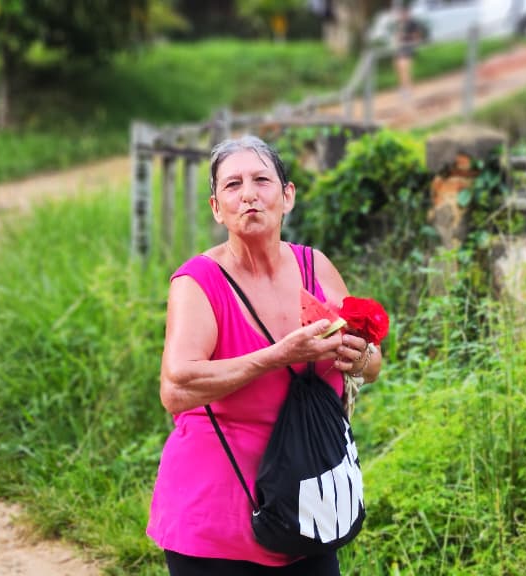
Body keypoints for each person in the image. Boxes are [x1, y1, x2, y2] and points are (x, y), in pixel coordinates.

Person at [149, 135, 383, 575]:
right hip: (216, 520)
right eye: (233, 185)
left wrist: (359, 356)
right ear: (217, 208)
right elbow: (176, 389)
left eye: (261, 180)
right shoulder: (198, 282)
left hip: (309, 505)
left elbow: (372, 364)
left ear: (287, 196)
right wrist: (276, 356)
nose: (249, 194)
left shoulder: (316, 267)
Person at [394, 4, 420, 102]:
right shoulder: (400, 24)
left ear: (407, 13)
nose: (401, 15)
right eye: (400, 14)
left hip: (408, 48)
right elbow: (398, 36)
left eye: (403, 13)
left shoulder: (412, 23)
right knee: (399, 68)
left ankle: (408, 90)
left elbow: (416, 36)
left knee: (405, 69)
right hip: (401, 47)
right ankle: (403, 88)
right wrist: (397, 40)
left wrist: (413, 44)